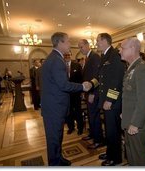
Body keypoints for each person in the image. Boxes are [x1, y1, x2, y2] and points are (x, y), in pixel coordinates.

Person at [41, 32, 91, 166]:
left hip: (54, 106)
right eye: (68, 41)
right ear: (60, 43)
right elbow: (63, 85)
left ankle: (58, 158)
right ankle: (55, 164)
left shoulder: (54, 58)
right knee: (53, 138)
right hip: (54, 107)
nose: (70, 44)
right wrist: (82, 86)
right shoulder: (56, 60)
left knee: (57, 136)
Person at [90, 33, 125, 166]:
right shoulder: (105, 55)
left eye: (98, 40)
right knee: (109, 130)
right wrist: (91, 84)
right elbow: (101, 77)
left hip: (112, 102)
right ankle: (110, 152)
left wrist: (110, 99)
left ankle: (115, 158)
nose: (96, 43)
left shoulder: (115, 55)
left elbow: (116, 80)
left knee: (113, 131)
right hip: (106, 100)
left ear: (105, 41)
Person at [120, 37, 145, 165]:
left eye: (122, 48)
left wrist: (135, 123)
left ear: (132, 49)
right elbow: (131, 95)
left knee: (139, 157)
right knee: (131, 155)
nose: (120, 51)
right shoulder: (132, 67)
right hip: (129, 119)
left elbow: (144, 99)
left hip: (136, 124)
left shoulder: (142, 68)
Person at [78, 39, 104, 147]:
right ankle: (92, 135)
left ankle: (98, 140)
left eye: (81, 47)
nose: (80, 49)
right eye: (79, 47)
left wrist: (92, 93)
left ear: (88, 45)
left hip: (94, 92)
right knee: (91, 116)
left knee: (95, 117)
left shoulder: (95, 57)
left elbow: (97, 76)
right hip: (88, 92)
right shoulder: (88, 58)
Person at [64, 52, 84, 135]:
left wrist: (82, 91)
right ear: (63, 56)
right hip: (66, 94)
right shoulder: (61, 66)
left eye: (69, 55)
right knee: (69, 112)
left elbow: (81, 79)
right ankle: (71, 127)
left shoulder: (76, 65)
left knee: (78, 111)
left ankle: (80, 128)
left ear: (70, 56)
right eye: (66, 55)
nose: (67, 56)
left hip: (76, 93)